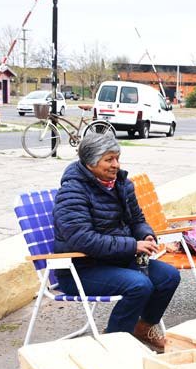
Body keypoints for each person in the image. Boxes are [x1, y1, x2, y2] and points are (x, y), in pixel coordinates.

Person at [52, 132, 180, 349]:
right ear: (91, 162)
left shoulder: (121, 184)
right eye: (109, 159)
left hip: (116, 260)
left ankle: (143, 328)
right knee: (139, 285)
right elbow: (82, 239)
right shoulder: (72, 192)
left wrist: (145, 235)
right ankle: (114, 343)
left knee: (168, 276)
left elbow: (137, 220)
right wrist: (133, 246)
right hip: (81, 269)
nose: (116, 165)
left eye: (117, 158)